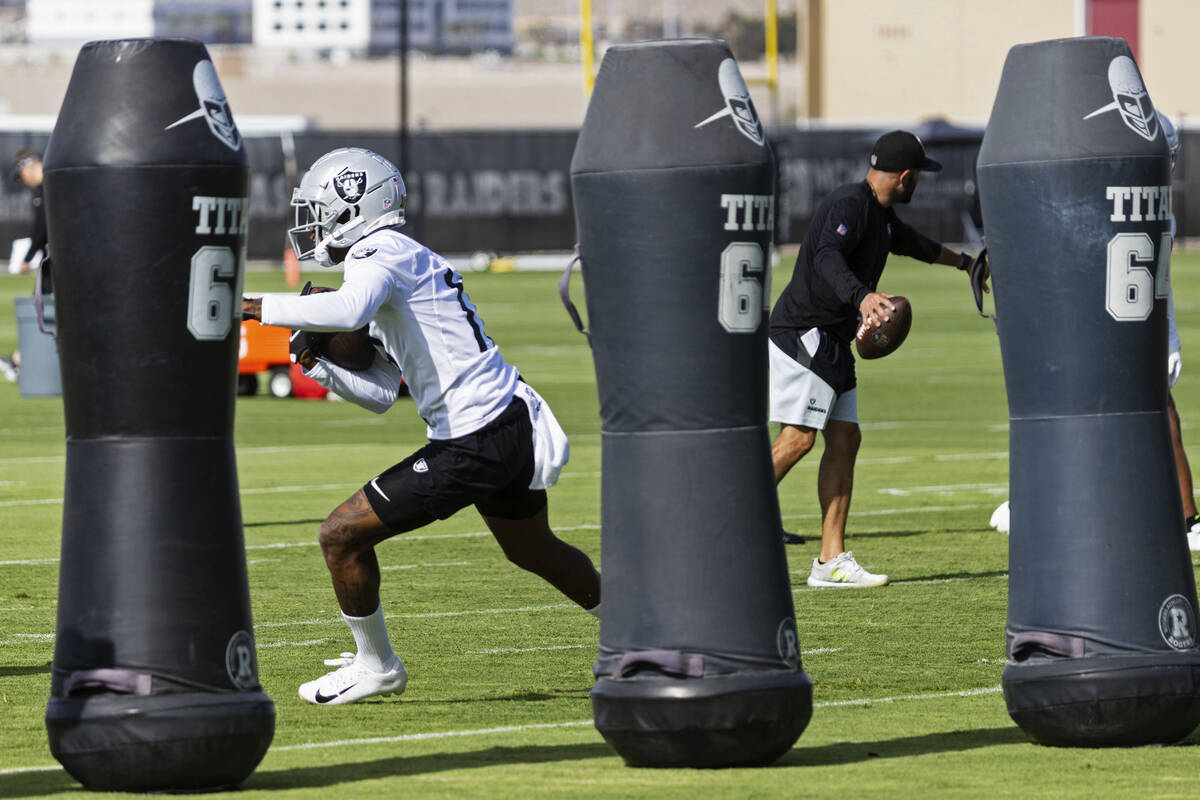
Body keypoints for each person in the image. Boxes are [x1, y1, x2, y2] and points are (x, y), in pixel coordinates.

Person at [242, 147, 601, 705]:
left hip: (477, 435)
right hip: (505, 423)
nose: (310, 224)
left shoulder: (379, 251)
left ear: (353, 207)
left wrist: (253, 305)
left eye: (319, 208)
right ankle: (644, 632)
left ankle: (376, 664)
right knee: (534, 550)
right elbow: (382, 394)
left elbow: (345, 311)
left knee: (341, 534)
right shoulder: (394, 262)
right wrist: (317, 366)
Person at [769, 130, 986, 586]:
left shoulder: (881, 217)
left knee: (845, 440)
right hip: (806, 332)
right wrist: (863, 295)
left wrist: (967, 263)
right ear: (905, 177)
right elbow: (827, 257)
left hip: (835, 341)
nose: (919, 184)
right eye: (918, 177)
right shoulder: (850, 204)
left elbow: (918, 246)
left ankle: (830, 561)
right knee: (799, 440)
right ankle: (719, 526)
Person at [991, 112, 1200, 550]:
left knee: (1089, 413)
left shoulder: (1111, 201)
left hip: (1119, 327)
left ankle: (1045, 503)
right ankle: (1180, 517)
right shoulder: (1153, 204)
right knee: (1145, 417)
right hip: (1145, 324)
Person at [1, 148, 50, 382]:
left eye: (23, 176)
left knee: (38, 310)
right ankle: (19, 360)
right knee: (41, 311)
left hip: (58, 265)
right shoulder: (49, 185)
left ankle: (20, 362)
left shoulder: (47, 187)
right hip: (57, 263)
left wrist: (28, 258)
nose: (25, 182)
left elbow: (42, 230)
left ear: (29, 166)